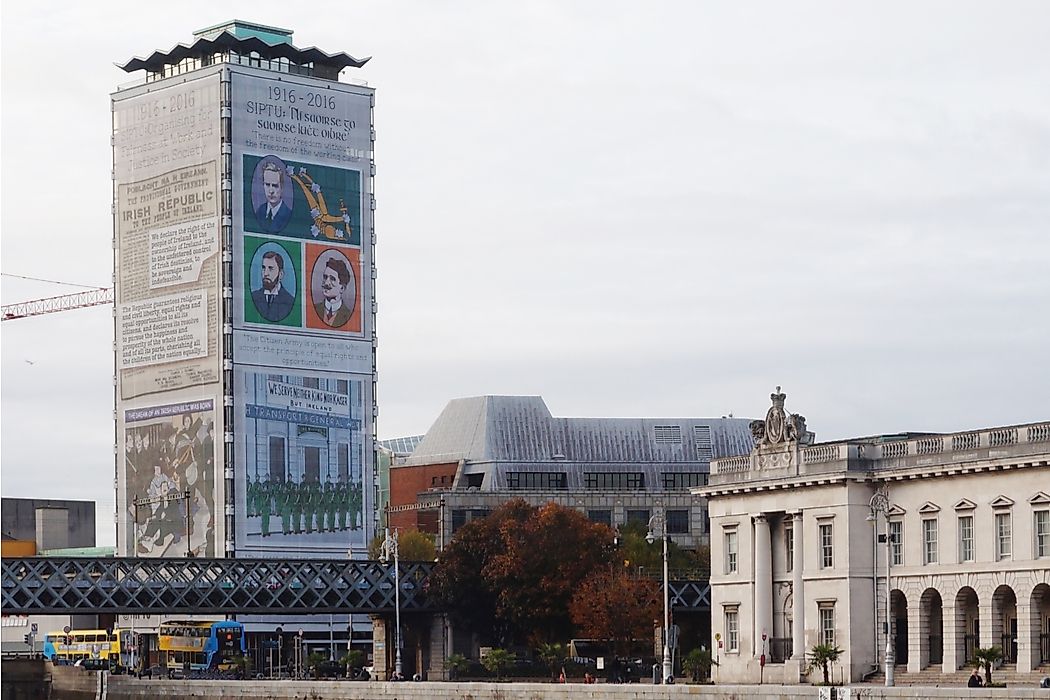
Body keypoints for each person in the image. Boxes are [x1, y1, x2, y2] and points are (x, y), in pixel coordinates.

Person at [251, 250, 295, 322]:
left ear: (280, 274)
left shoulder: (290, 302)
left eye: (270, 268)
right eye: (263, 268)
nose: (265, 273)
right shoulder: (254, 297)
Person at [313, 258, 353, 327]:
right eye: (325, 277)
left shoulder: (349, 316)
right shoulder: (314, 309)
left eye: (332, 279)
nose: (326, 283)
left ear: (342, 288)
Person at [254, 161, 292, 233]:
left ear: (282, 187)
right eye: (267, 185)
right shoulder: (260, 211)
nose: (271, 191)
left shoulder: (287, 214)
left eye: (275, 185)